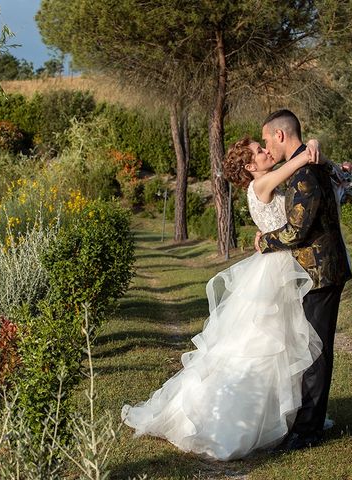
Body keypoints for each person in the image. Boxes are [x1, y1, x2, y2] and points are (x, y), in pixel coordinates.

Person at [121, 136, 325, 461]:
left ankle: (286, 417)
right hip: (274, 271)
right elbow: (294, 164)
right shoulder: (261, 184)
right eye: (259, 151)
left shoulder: (261, 184)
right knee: (259, 345)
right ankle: (234, 420)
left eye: (263, 147)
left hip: (279, 264)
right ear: (249, 166)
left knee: (280, 344)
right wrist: (308, 147)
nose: (265, 151)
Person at [256, 109, 352, 451]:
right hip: (314, 272)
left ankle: (308, 432)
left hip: (321, 273)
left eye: (267, 139)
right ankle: (305, 422)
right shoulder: (304, 166)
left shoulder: (305, 174)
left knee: (315, 351)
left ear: (280, 135)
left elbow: (298, 229)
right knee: (310, 348)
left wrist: (265, 240)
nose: (267, 146)